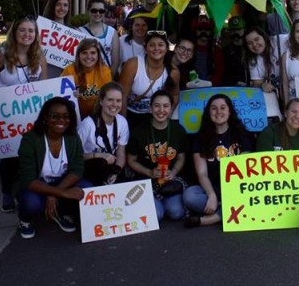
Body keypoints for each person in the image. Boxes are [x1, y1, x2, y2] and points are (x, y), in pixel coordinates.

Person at [0, 16, 49, 213]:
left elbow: (44, 87)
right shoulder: (2, 55)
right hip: (5, 115)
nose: (27, 34)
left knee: (29, 154)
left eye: (31, 31)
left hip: (30, 114)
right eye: (22, 30)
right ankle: (7, 193)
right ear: (14, 33)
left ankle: (27, 189)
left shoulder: (39, 57)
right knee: (8, 156)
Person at [16, 97, 90, 239]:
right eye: (55, 116)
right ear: (45, 117)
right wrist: (62, 193)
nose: (61, 120)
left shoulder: (73, 138)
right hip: (37, 185)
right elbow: (28, 180)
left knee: (86, 189)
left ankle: (62, 211)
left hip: (62, 182)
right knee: (31, 203)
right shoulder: (30, 140)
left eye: (66, 116)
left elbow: (77, 170)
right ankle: (24, 220)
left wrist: (55, 193)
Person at [184, 94, 255, 227]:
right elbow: (202, 174)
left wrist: (233, 194)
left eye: (223, 108)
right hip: (213, 188)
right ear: (208, 112)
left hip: (237, 189)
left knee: (252, 196)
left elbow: (246, 171)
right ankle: (228, 210)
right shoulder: (200, 138)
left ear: (229, 111)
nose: (218, 112)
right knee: (189, 196)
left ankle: (211, 219)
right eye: (214, 108)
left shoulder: (242, 135)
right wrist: (211, 195)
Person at [126, 90, 189, 221]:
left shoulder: (178, 130)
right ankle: (156, 203)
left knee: (176, 213)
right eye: (156, 105)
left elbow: (181, 157)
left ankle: (162, 202)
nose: (161, 110)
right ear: (150, 108)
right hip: (146, 181)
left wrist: (174, 172)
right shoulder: (139, 131)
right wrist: (148, 171)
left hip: (169, 181)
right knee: (157, 215)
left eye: (166, 106)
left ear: (171, 109)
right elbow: (131, 160)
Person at [256, 98, 299, 184]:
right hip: (274, 186)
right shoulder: (269, 133)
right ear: (286, 113)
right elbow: (260, 167)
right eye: (293, 111)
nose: (297, 116)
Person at [119, 30, 180, 128]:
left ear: (166, 49)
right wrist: (123, 125)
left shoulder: (173, 71)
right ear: (145, 48)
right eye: (152, 45)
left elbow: (175, 94)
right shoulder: (133, 65)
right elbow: (122, 97)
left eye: (160, 45)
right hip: (131, 116)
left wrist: (167, 115)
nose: (156, 48)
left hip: (157, 117)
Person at [77, 82, 129, 186]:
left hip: (109, 168)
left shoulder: (122, 122)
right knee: (101, 162)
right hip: (89, 168)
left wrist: (116, 172)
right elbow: (74, 156)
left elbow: (121, 153)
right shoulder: (87, 124)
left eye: (118, 101)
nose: (115, 104)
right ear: (101, 101)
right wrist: (100, 155)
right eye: (110, 100)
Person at [60, 38, 112, 120]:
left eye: (93, 53)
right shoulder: (70, 70)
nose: (88, 57)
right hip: (72, 115)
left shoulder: (105, 72)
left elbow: (107, 98)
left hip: (96, 115)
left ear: (98, 55)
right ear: (78, 55)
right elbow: (60, 95)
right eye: (84, 53)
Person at [80, 0, 120, 73]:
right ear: (88, 10)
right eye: (94, 10)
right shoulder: (80, 31)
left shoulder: (112, 32)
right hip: (86, 78)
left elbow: (115, 60)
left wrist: (109, 79)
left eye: (101, 11)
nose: (98, 13)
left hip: (105, 78)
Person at [243, 26, 281, 95]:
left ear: (264, 37)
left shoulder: (278, 41)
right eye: (249, 43)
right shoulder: (253, 60)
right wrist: (262, 85)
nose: (254, 45)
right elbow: (256, 83)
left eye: (256, 39)